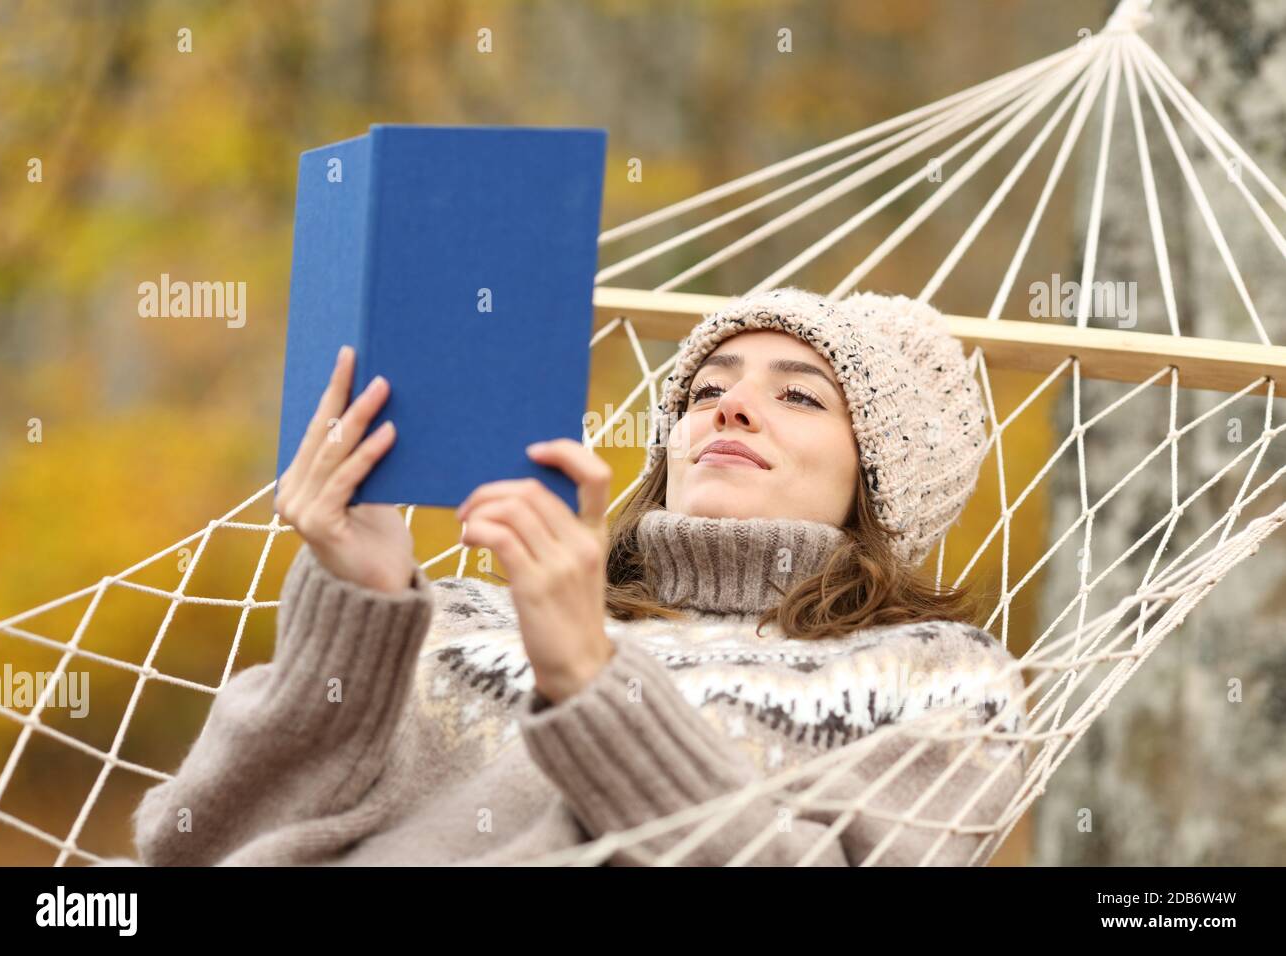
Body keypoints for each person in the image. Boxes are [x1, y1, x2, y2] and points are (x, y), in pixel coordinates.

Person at [112, 286, 1029, 867]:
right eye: (707, 389)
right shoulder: (465, 615)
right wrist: (359, 612)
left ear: (878, 478)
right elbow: (194, 847)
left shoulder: (934, 673)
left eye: (798, 395)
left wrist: (593, 681)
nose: (732, 408)